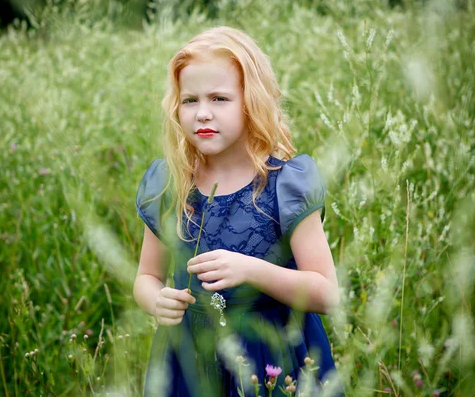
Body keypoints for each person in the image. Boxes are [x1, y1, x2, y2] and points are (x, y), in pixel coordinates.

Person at [133, 26, 341, 397]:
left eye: (219, 99)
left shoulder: (285, 186)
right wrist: (157, 300)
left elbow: (326, 294)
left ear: (251, 101)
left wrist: (250, 269)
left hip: (273, 359)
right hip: (189, 363)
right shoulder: (170, 184)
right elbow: (147, 276)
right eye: (190, 100)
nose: (203, 114)